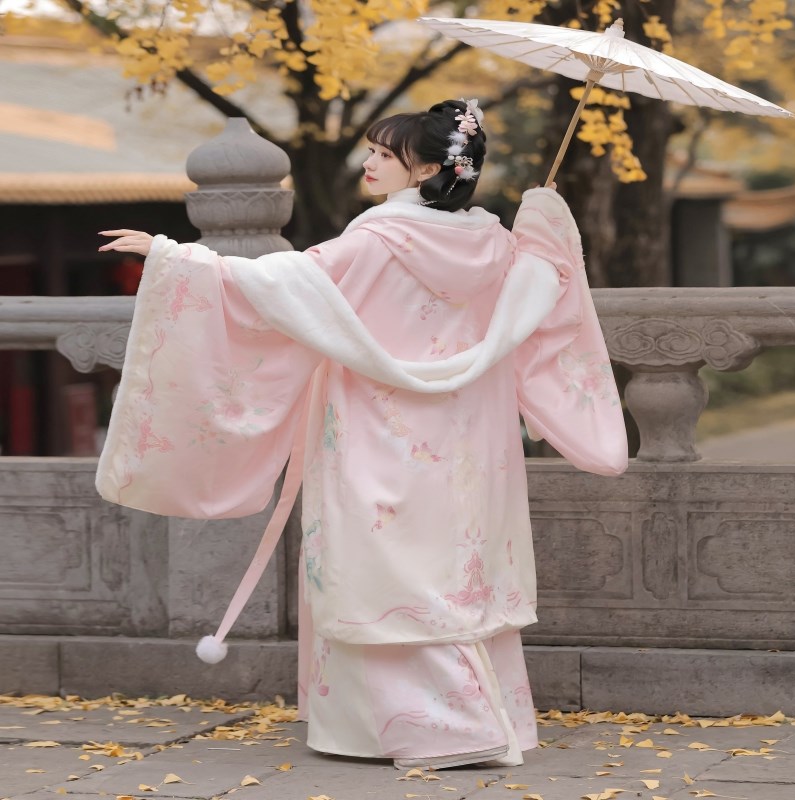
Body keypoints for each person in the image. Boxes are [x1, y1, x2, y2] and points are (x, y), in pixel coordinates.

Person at [97, 98, 627, 769]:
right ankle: (486, 719)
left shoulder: (378, 239)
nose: (369, 162)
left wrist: (175, 259)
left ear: (430, 166)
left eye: (384, 153)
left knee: (379, 567)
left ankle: (423, 729)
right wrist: (545, 225)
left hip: (379, 427)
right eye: (372, 150)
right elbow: (542, 303)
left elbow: (283, 286)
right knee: (454, 568)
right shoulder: (499, 244)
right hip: (471, 442)